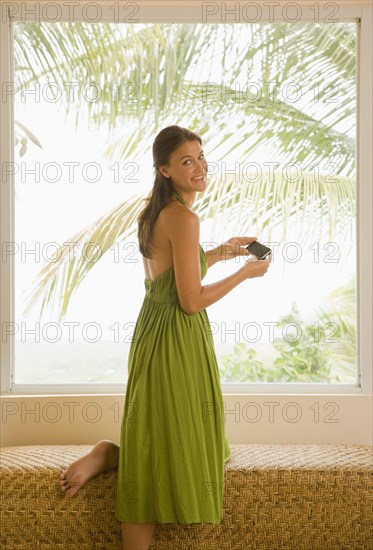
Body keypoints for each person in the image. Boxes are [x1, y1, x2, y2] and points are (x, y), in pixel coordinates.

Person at [59, 125, 271, 549]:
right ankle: (111, 457)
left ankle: (110, 452)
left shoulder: (158, 213)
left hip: (155, 332)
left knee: (167, 431)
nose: (199, 166)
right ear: (165, 170)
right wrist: (245, 273)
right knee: (183, 438)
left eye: (201, 156)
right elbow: (190, 300)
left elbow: (171, 274)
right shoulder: (185, 217)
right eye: (186, 161)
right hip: (177, 334)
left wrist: (223, 252)